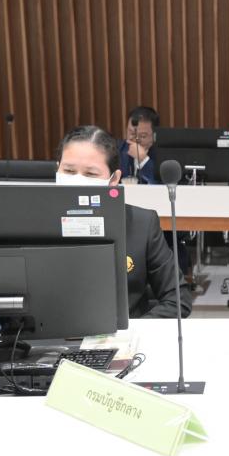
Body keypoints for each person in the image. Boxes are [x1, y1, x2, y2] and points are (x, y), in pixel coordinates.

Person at [56, 125, 192, 319]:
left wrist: (134, 331)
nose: (77, 181)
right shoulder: (33, 221)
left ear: (114, 179)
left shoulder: (141, 224)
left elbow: (177, 299)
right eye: (69, 171)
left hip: (126, 332)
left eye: (91, 174)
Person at [118, 106, 160, 184]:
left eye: (142, 136)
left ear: (154, 136)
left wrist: (143, 159)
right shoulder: (118, 150)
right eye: (132, 133)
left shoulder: (164, 154)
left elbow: (161, 184)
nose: (136, 139)